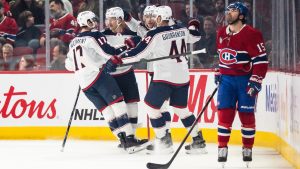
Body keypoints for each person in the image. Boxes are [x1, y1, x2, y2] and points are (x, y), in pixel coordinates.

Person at [105, 6, 206, 154]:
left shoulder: (155, 34)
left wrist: (118, 59)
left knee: (151, 107)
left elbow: (137, 54)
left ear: (159, 18)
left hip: (164, 77)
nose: (151, 20)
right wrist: (194, 23)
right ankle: (198, 141)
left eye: (154, 17)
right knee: (181, 108)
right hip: (182, 76)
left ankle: (164, 142)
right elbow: (196, 35)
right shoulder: (182, 30)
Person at [65, 11, 149, 154]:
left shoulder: (73, 41)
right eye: (93, 20)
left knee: (106, 111)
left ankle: (122, 140)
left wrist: (85, 63)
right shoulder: (94, 36)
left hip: (84, 83)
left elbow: (69, 65)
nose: (95, 23)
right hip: (98, 76)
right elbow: (110, 53)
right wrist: (127, 47)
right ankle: (130, 139)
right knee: (118, 105)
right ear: (87, 22)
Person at [214, 2, 268, 165]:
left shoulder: (252, 34)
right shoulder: (221, 32)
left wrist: (256, 80)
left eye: (234, 10)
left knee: (246, 114)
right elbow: (221, 56)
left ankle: (247, 148)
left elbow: (261, 61)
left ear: (242, 16)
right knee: (224, 114)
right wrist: (218, 71)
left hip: (245, 81)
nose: (229, 13)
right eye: (228, 10)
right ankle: (222, 147)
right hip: (226, 81)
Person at [102, 7, 142, 144]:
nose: (108, 22)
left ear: (120, 19)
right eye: (107, 19)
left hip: (127, 72)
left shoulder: (134, 33)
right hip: (109, 76)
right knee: (115, 107)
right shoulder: (102, 35)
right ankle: (122, 137)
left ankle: (132, 136)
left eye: (112, 19)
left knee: (131, 103)